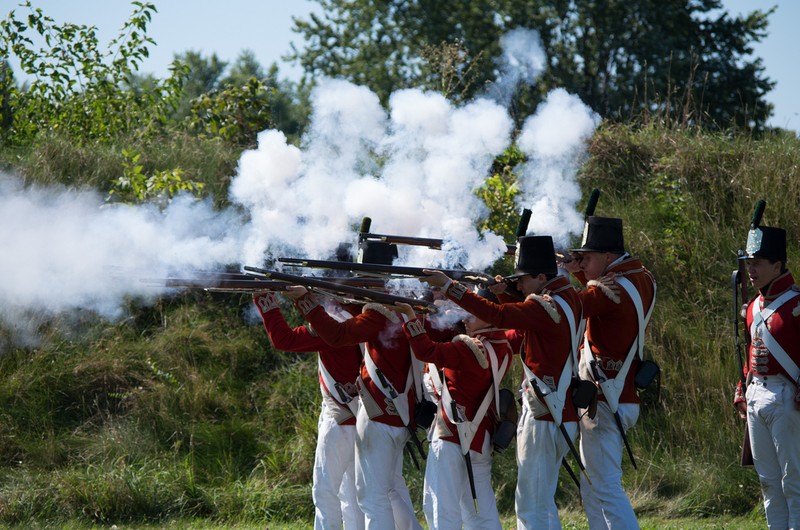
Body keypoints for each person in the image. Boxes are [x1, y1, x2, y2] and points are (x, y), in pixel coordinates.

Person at [420, 235, 582, 530]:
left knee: (530, 508)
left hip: (545, 414)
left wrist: (448, 286)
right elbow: (517, 319)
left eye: (523, 280)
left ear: (542, 276)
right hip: (561, 409)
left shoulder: (545, 305)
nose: (518, 286)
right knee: (541, 503)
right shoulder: (569, 298)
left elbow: (496, 315)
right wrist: (504, 294)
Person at [284, 240, 424, 530]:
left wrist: (306, 302)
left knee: (372, 498)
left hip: (380, 417)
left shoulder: (378, 313)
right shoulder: (402, 308)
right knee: (386, 490)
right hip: (395, 413)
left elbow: (335, 335)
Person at [563, 215, 656, 529]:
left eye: (587, 257)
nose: (583, 263)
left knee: (605, 487)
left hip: (605, 399)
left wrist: (558, 276)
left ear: (607, 257)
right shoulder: (640, 277)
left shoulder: (608, 288)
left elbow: (565, 311)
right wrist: (580, 271)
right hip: (619, 394)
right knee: (593, 486)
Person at [394, 288, 513, 530]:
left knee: (440, 509)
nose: (466, 317)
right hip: (481, 437)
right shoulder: (503, 346)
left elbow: (426, 351)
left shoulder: (469, 348)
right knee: (481, 512)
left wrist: (409, 316)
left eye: (474, 312)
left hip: (452, 437)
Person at [252, 289, 365, 530]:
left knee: (325, 489)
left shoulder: (334, 324)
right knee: (353, 493)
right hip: (364, 416)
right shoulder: (365, 318)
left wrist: (265, 301)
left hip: (341, 417)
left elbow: (283, 340)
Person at [733, 223, 800, 530]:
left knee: (794, 482)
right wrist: (741, 388)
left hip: (788, 398)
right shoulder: (754, 306)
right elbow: (750, 354)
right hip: (757, 395)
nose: (751, 270)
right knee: (768, 483)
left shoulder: (797, 303)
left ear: (777, 265)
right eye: (749, 263)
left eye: (757, 263)